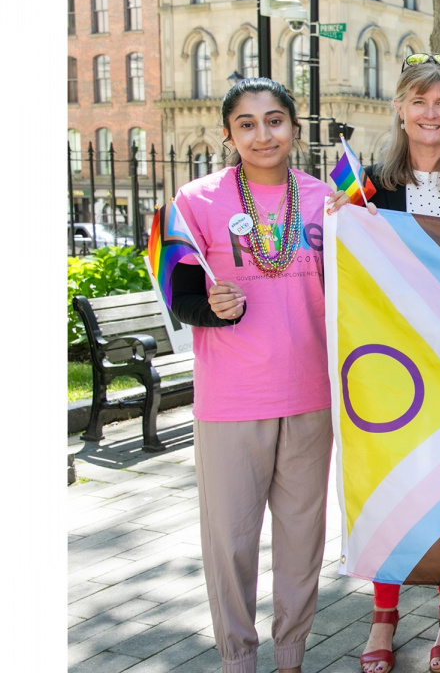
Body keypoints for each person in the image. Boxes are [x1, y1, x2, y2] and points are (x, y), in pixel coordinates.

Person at [329, 52, 440, 673]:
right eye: (418, 102)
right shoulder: (367, 184)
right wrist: (338, 221)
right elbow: (340, 267)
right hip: (388, 363)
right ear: (401, 110)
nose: (430, 114)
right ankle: (383, 616)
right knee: (390, 484)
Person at [167, 77, 333, 673]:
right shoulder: (195, 201)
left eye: (274, 120)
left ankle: (291, 656)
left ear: (293, 126)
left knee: (301, 542)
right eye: (247, 123)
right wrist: (209, 309)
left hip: (311, 397)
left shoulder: (327, 200)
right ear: (228, 134)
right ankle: (237, 660)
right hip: (231, 400)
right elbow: (179, 297)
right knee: (231, 543)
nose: (262, 134)